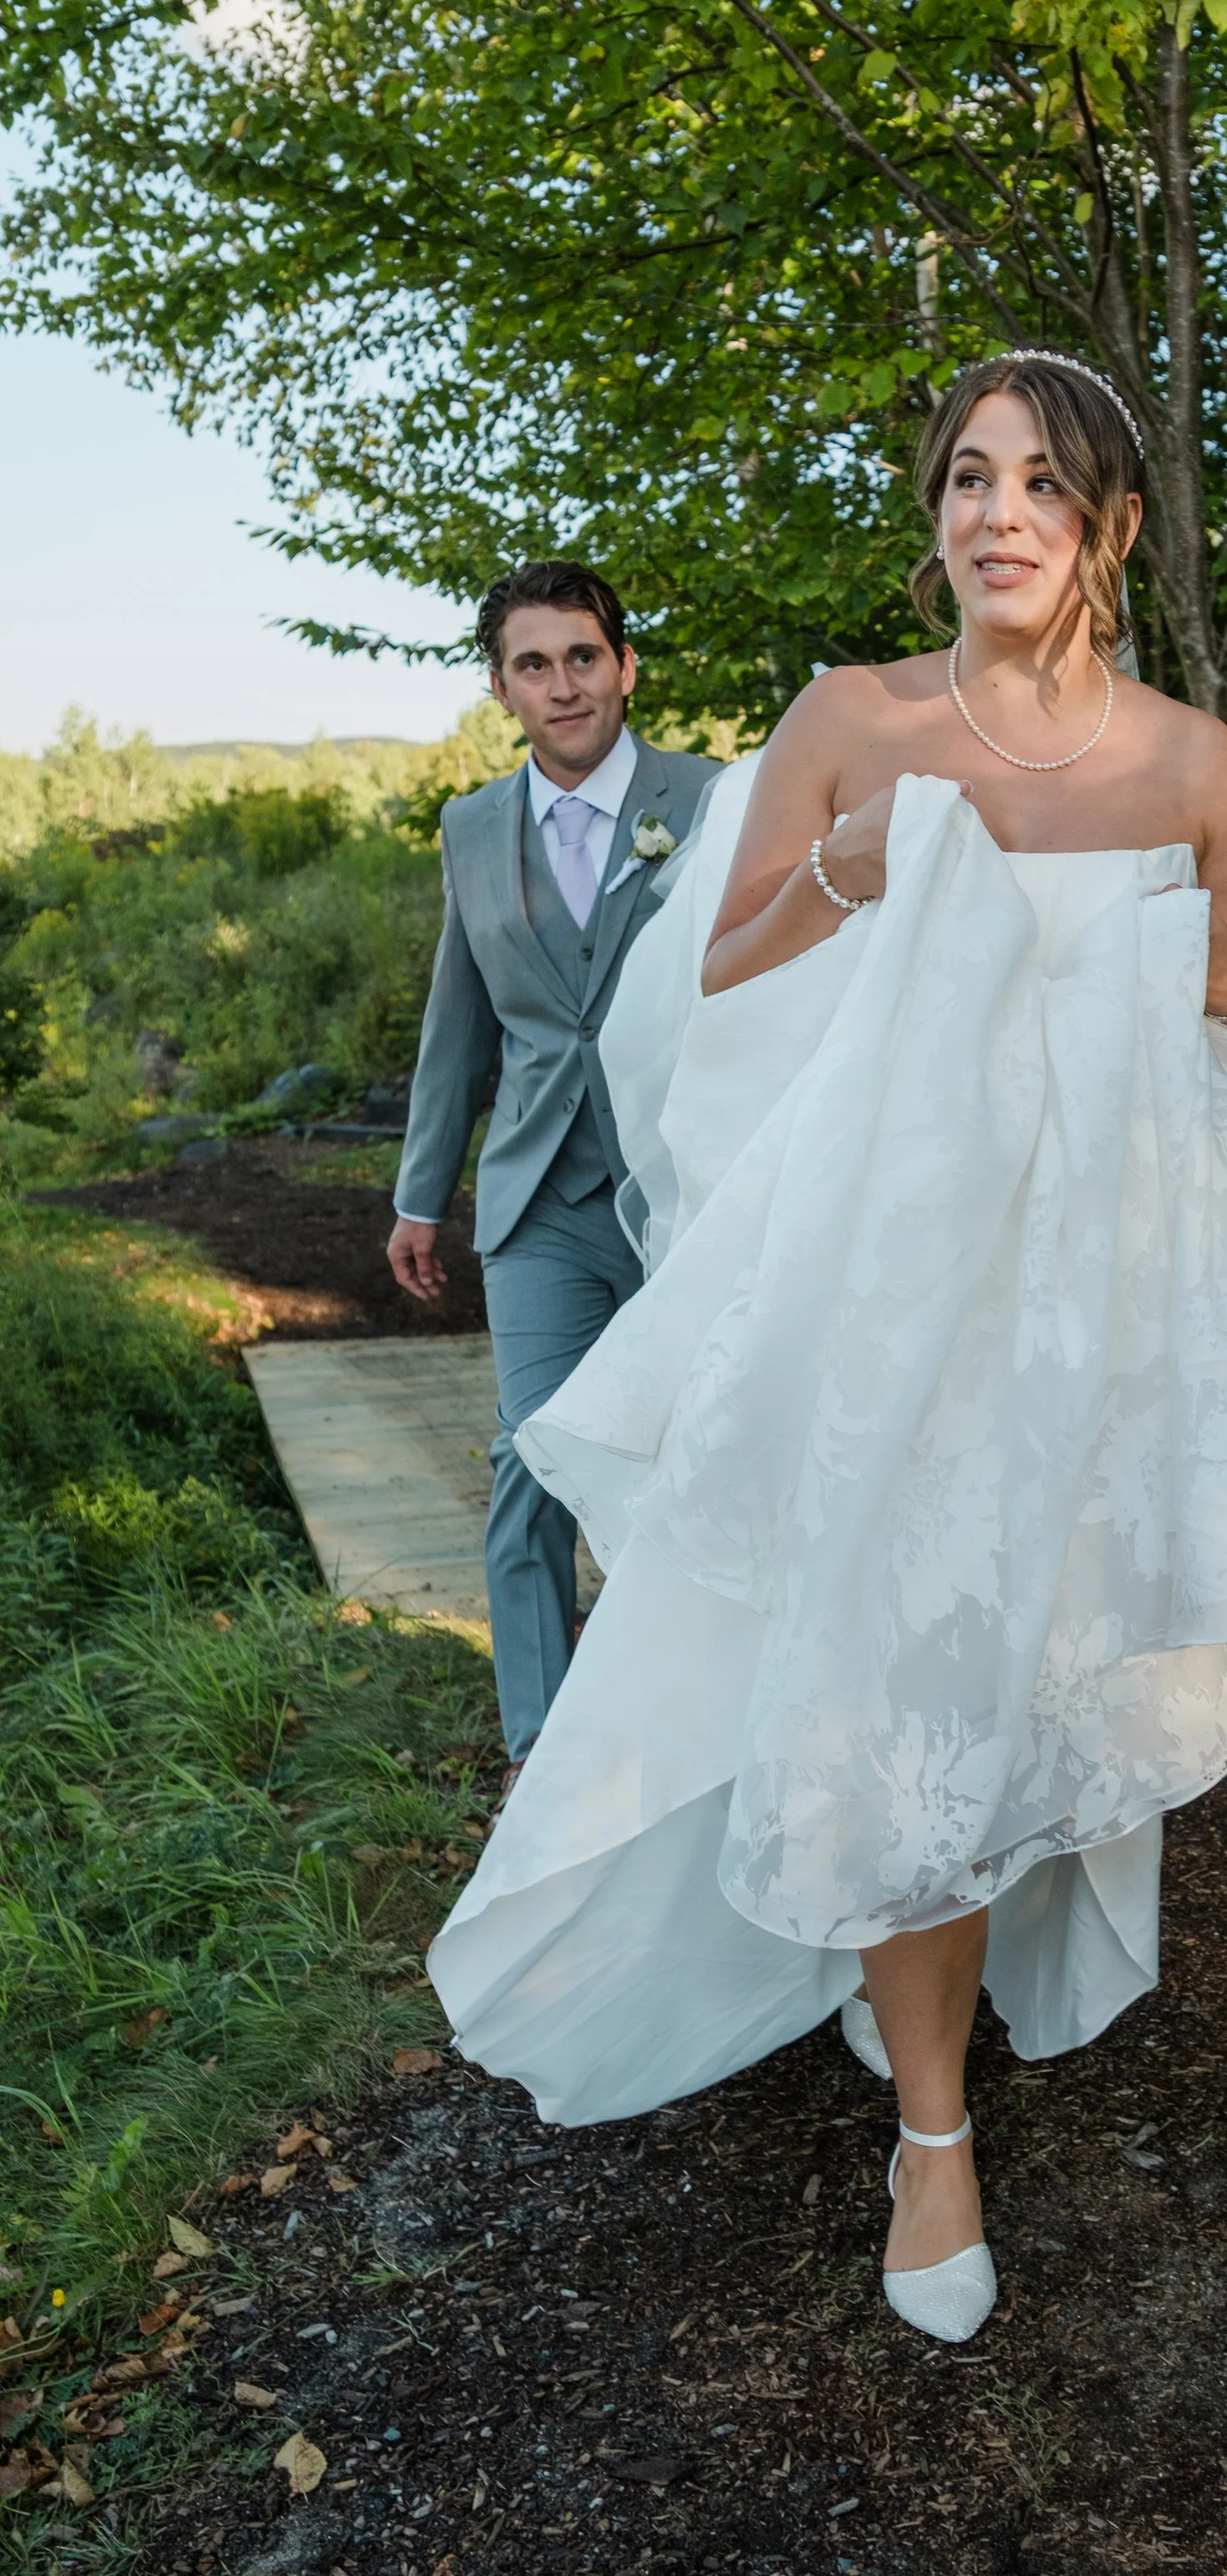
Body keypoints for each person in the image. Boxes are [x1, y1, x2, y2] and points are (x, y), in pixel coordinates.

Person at [428, 355, 1227, 2343]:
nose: (997, 515)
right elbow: (698, 998)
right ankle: (929, 2133)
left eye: (1043, 487)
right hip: (892, 1313)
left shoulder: (1189, 767)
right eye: (968, 479)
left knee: (1033, 1689)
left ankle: (945, 1976)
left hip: (1088, 1321)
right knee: (905, 1692)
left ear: (1111, 529)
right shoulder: (851, 721)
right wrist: (844, 864)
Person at [388, 564, 722, 1783]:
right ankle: (546, 1757)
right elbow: (457, 1017)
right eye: (534, 664)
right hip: (537, 1200)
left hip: (685, 1195)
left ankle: (681, 1734)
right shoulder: (473, 827)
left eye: (583, 656)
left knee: (686, 1459)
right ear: (499, 687)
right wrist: (421, 1193)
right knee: (532, 1452)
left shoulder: (712, 800)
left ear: (625, 666)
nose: (563, 683)